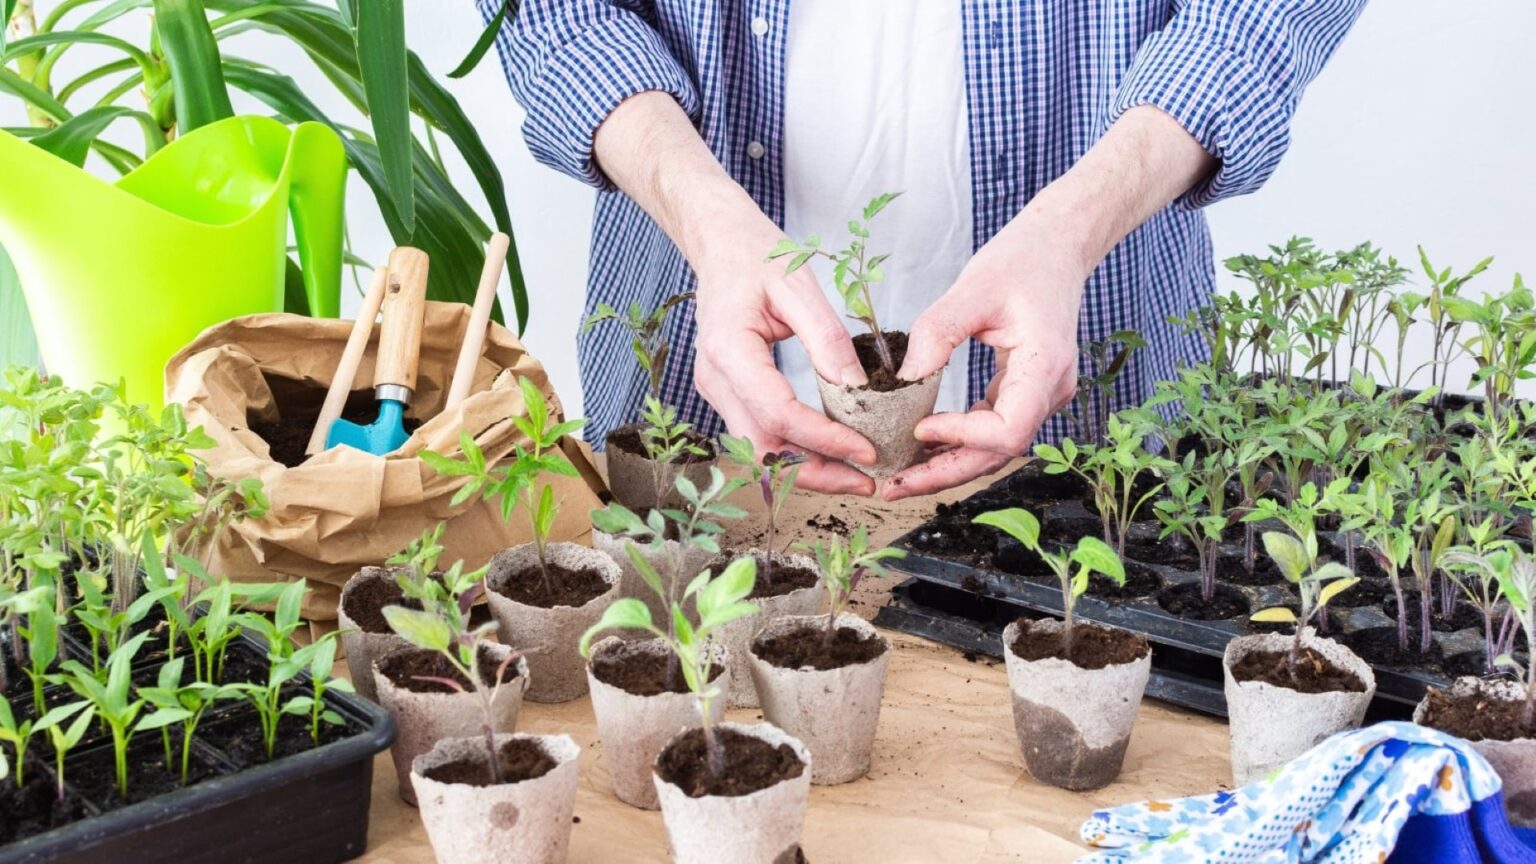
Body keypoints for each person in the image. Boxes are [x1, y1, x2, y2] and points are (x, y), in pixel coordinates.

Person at [481, 0, 1365, 500]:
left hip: (1093, 387)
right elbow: (558, 15)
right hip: (692, 402)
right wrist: (703, 213)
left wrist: (1073, 226)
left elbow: (1258, 19)